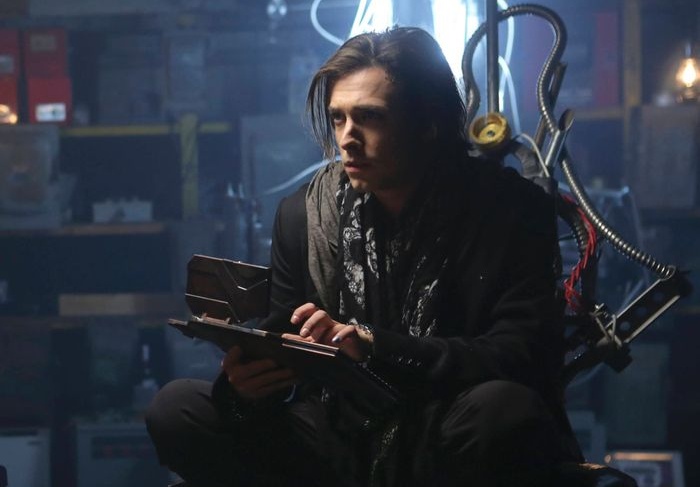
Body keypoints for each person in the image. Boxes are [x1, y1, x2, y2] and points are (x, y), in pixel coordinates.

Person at [146, 26, 582, 487]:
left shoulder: (509, 208)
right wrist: (246, 388)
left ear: (428, 123)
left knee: (505, 411)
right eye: (338, 119)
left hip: (444, 426)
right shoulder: (305, 214)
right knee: (178, 409)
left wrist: (374, 346)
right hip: (335, 429)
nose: (348, 138)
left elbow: (521, 353)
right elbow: (285, 344)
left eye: (370, 117)